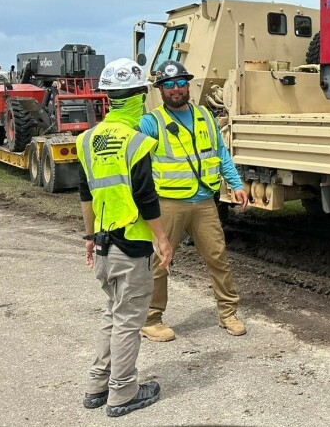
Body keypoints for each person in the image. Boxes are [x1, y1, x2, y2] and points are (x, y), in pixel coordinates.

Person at [76, 58, 173, 417]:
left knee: (112, 314)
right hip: (131, 246)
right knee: (129, 321)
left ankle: (97, 385)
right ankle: (121, 393)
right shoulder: (136, 142)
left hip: (102, 243)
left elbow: (86, 194)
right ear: (139, 96)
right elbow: (147, 197)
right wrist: (162, 239)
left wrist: (89, 236)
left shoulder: (87, 139)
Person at [138, 59, 250, 342]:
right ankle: (151, 319)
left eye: (180, 83)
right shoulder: (150, 123)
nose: (175, 89)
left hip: (204, 203)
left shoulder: (205, 117)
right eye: (168, 85)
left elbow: (220, 154)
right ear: (160, 90)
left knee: (218, 257)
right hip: (168, 204)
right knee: (160, 260)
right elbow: (136, 164)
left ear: (188, 85)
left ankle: (228, 313)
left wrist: (235, 184)